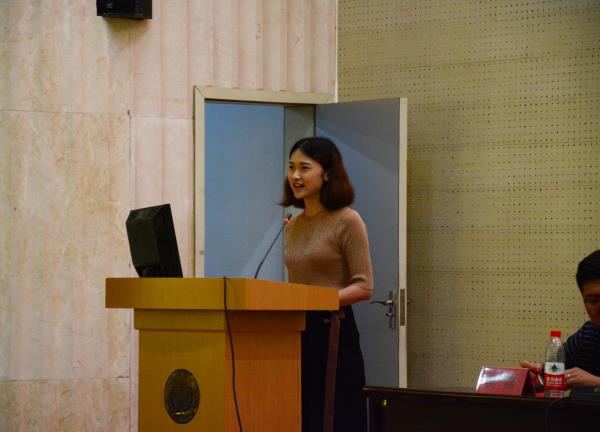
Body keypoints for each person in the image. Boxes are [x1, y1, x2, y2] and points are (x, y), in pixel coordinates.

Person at [281, 137, 373, 432]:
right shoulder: (292, 225)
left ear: (328, 174)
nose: (295, 176)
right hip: (297, 329)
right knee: (303, 414)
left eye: (304, 168)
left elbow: (364, 286)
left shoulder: (348, 220)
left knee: (334, 416)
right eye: (291, 167)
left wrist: (319, 301)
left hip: (333, 329)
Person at [520, 249, 600, 387]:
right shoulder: (588, 336)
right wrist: (536, 379)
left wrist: (597, 382)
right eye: (593, 301)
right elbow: (550, 376)